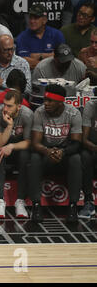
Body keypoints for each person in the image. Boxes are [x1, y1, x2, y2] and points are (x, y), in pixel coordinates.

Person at [29, 84, 82, 223]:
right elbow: (35, 143)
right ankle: (36, 205)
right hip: (46, 154)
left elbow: (77, 143)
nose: (45, 103)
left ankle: (73, 206)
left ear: (60, 102)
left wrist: (63, 152)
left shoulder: (73, 113)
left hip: (64, 155)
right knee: (34, 158)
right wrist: (47, 151)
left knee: (76, 159)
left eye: (50, 101)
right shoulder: (39, 112)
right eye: (45, 100)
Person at [0, 90, 33, 219]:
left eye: (9, 106)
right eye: (4, 104)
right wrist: (9, 126)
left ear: (19, 106)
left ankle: (20, 201)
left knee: (26, 156)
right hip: (2, 147)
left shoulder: (27, 115)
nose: (5, 108)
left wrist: (12, 146)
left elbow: (29, 142)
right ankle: (0, 201)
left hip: (18, 147)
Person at [16, 3, 66, 70]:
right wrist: (50, 57)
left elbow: (62, 57)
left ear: (44, 20)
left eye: (36, 18)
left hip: (54, 74)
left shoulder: (57, 34)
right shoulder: (22, 37)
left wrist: (40, 56)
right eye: (31, 18)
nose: (32, 21)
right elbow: (24, 62)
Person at [79, 97, 97, 219]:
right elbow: (84, 140)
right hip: (92, 147)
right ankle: (88, 201)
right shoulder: (90, 106)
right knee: (85, 155)